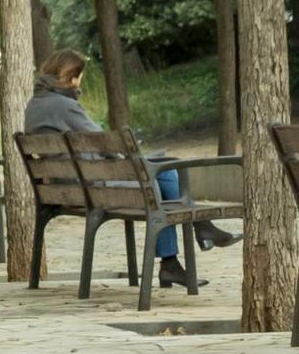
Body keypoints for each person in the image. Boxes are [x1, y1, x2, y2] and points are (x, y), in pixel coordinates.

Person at [25, 49, 240, 286]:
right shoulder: (64, 105)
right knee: (163, 175)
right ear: (71, 76)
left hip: (67, 187)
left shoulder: (35, 105)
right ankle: (196, 233)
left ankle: (182, 251)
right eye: (80, 77)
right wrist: (132, 154)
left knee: (162, 173)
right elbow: (104, 142)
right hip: (94, 187)